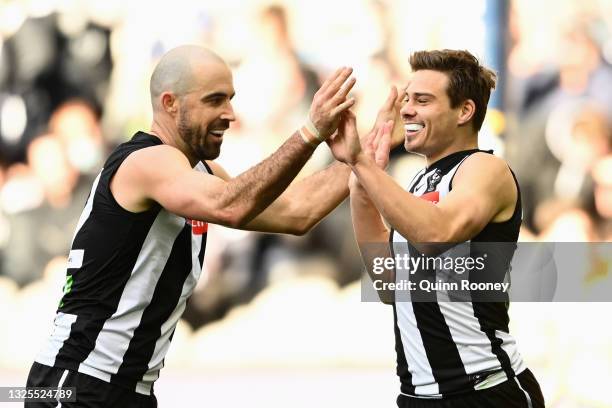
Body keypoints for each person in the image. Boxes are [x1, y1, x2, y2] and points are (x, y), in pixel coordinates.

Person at [24, 45, 373, 407]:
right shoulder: (147, 161)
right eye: (215, 100)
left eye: (231, 99)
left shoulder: (196, 173)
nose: (230, 114)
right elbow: (232, 205)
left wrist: (371, 151)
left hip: (120, 389)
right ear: (170, 103)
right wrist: (311, 131)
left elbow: (299, 212)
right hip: (76, 383)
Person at [328, 49, 545, 407]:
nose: (407, 110)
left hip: (484, 392)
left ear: (465, 111)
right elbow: (389, 286)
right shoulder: (420, 182)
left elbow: (436, 235)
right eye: (407, 99)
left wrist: (360, 161)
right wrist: (360, 185)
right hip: (419, 395)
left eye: (423, 100)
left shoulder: (483, 169)